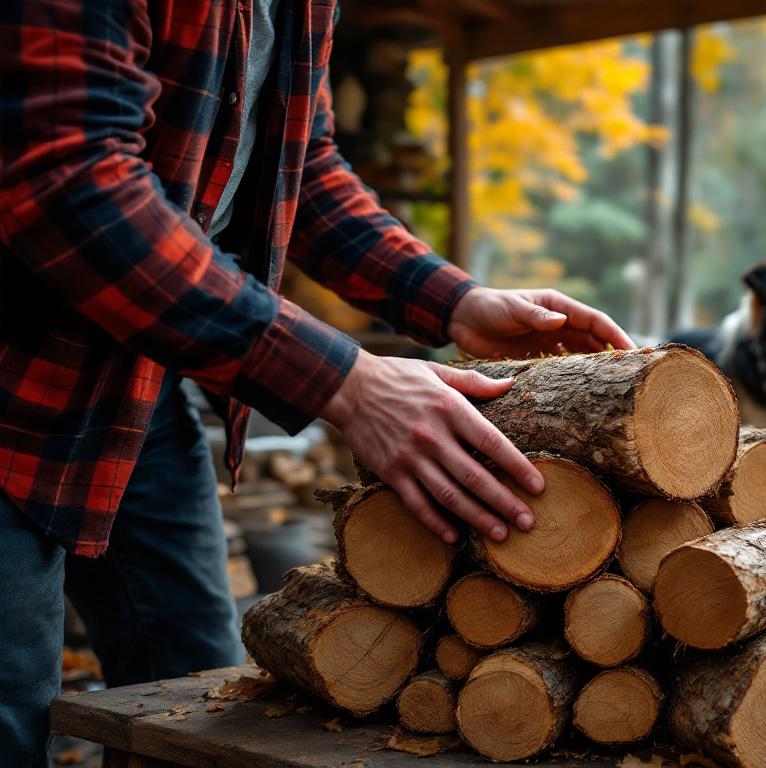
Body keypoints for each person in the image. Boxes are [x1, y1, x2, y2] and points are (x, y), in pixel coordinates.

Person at [0, 0, 635, 763]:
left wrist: (452, 300)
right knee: (12, 714)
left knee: (195, 702)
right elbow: (71, 184)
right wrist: (346, 383)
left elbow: (303, 171)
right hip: (17, 376)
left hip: (134, 379)